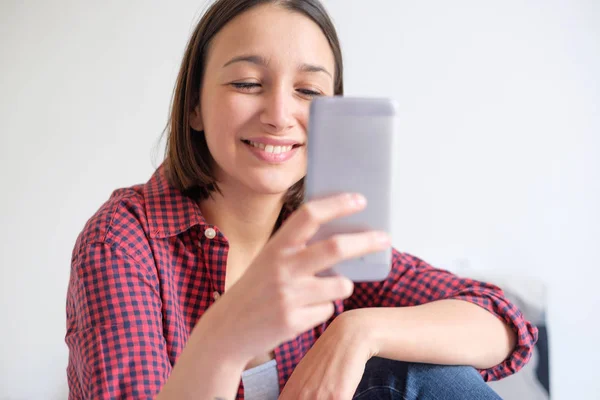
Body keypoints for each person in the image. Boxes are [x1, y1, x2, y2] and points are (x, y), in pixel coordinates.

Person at [65, 0, 538, 399]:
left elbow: (502, 322)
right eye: (248, 83)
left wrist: (357, 332)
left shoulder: (325, 237)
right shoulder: (123, 240)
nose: (279, 115)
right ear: (194, 106)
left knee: (427, 375)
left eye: (308, 91)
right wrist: (223, 341)